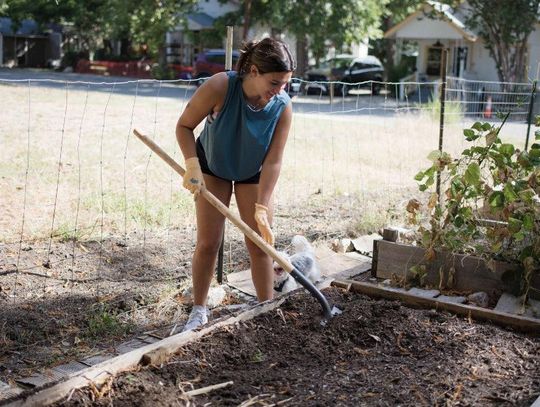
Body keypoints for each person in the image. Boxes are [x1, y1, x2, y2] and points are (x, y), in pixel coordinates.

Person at [176, 37, 295, 331]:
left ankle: (266, 309)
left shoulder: (282, 106)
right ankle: (199, 310)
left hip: (252, 172)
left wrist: (262, 205)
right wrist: (192, 165)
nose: (280, 90)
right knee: (209, 242)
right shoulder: (221, 87)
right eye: (275, 82)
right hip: (212, 168)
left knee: (259, 243)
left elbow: (273, 161)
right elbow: (184, 126)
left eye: (285, 83)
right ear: (253, 71)